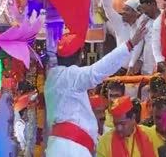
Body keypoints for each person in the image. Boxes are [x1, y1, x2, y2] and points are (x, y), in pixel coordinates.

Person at [44, 21, 146, 157]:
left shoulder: (52, 78)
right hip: (71, 148)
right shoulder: (70, 76)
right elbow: (98, 70)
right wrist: (130, 45)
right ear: (80, 56)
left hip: (62, 145)